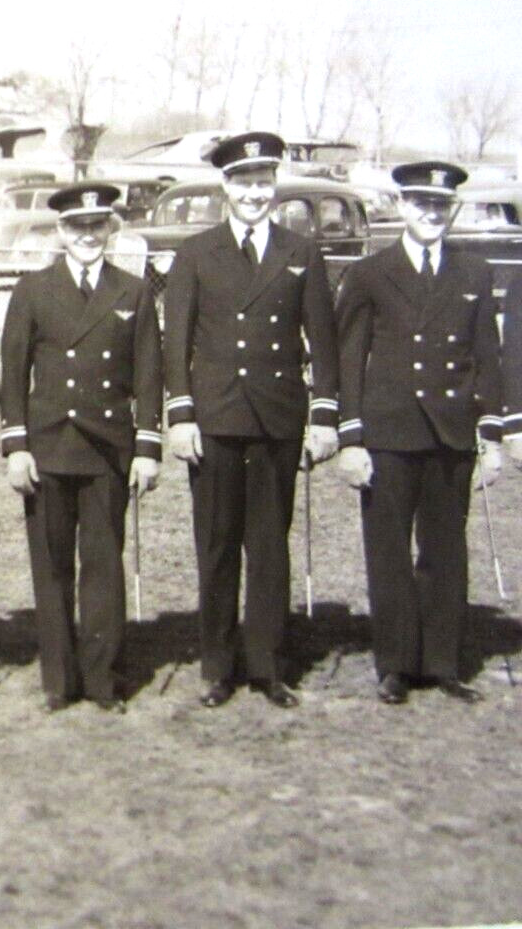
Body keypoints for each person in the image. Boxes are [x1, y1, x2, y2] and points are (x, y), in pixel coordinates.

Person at [162, 131, 339, 709]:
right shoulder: (195, 253)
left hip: (278, 417)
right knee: (216, 544)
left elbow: (323, 340)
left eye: (264, 183)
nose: (255, 194)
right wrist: (182, 414)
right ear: (225, 186)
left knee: (269, 544)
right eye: (244, 183)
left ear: (274, 188)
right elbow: (176, 342)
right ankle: (217, 665)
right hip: (214, 418)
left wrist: (323, 417)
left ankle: (267, 664)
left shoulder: (301, 252)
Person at [337, 161, 500, 705]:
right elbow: (349, 357)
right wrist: (352, 437)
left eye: (441, 206)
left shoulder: (475, 273)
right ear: (402, 207)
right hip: (388, 433)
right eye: (422, 204)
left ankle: (443, 662)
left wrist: (492, 435)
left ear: (449, 211)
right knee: (388, 551)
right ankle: (396, 665)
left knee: (445, 550)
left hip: (451, 434)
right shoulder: (368, 273)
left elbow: (487, 360)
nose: (432, 214)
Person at [0, 182, 161, 713]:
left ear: (110, 230)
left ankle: (100, 677)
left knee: (102, 564)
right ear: (61, 231)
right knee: (51, 567)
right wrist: (16, 445)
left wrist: (146, 447)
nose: (88, 236)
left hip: (106, 448)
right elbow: (13, 375)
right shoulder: (32, 290)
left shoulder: (133, 291)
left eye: (98, 226)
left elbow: (148, 374)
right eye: (77, 227)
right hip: (47, 447)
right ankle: (59, 679)